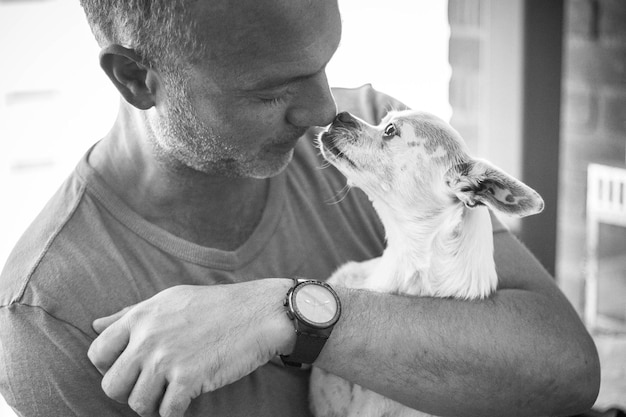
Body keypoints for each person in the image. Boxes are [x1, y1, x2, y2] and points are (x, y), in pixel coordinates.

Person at [0, 0, 600, 416]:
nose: (321, 112)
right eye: (271, 89)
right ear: (136, 77)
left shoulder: (371, 142)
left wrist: (293, 313)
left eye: (323, 62)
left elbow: (567, 371)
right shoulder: (49, 312)